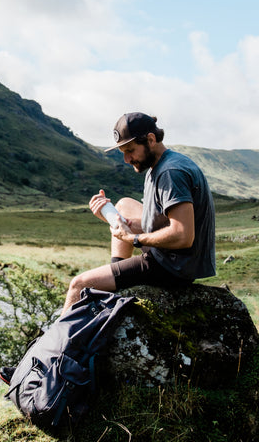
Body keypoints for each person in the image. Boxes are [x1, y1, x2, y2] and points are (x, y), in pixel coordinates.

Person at [61, 112, 216, 314]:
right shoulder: (160, 165)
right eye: (123, 152)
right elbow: (159, 225)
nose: (126, 159)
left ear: (150, 140)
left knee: (78, 285)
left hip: (174, 266)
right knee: (124, 205)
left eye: (130, 151)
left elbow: (183, 236)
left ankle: (62, 345)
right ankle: (119, 280)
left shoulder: (171, 172)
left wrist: (133, 238)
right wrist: (113, 219)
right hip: (175, 257)